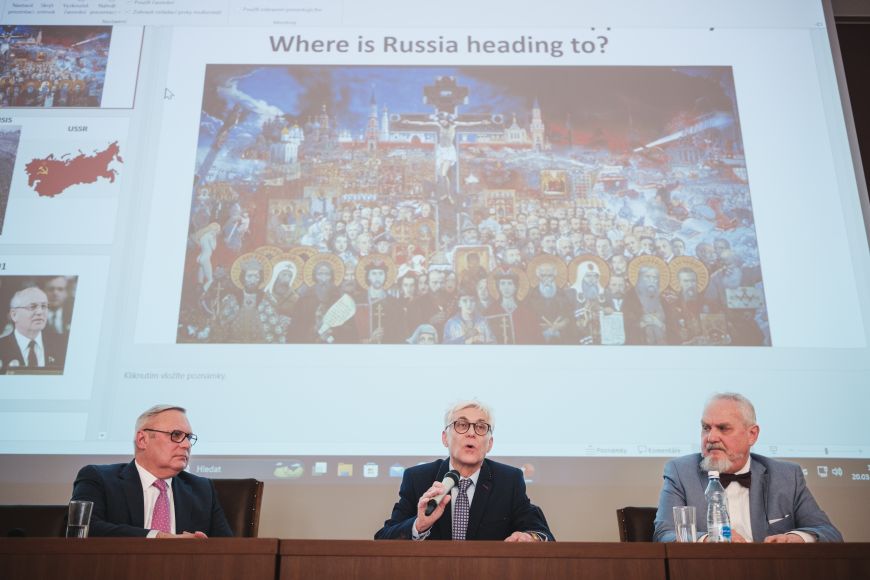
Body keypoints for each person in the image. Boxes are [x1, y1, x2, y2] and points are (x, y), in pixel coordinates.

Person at [654, 393, 842, 543]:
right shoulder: (680, 472)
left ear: (752, 435)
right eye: (705, 427)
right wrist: (707, 540)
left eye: (723, 428)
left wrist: (797, 538)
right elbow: (664, 534)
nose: (711, 438)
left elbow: (828, 533)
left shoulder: (786, 476)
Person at [375, 400, 554, 541]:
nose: (471, 433)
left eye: (481, 427)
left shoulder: (509, 480)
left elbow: (543, 534)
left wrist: (530, 538)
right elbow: (383, 538)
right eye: (461, 424)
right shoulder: (418, 478)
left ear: (490, 444)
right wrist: (419, 525)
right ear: (445, 438)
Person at [70, 405, 233, 538]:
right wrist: (158, 537)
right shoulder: (98, 479)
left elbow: (228, 549)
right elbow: (83, 528)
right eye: (176, 435)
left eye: (189, 438)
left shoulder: (202, 490)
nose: (186, 445)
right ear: (142, 440)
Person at [0, 286, 67, 373]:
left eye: (44, 306)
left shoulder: (63, 344)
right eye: (32, 307)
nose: (40, 312)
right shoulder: (2, 347)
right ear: (14, 315)